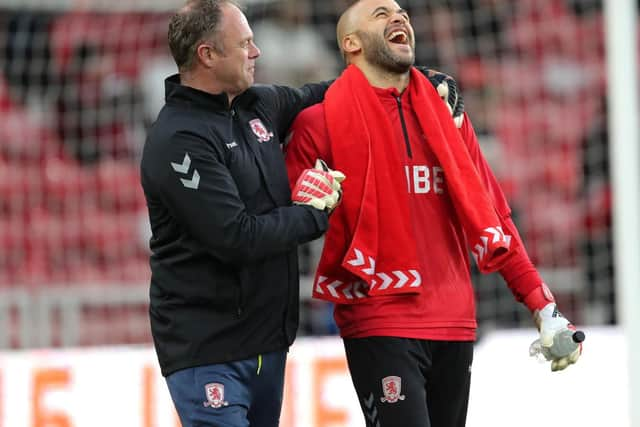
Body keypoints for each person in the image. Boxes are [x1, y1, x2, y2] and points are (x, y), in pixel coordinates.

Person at [284, 1, 583, 427]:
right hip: (379, 318)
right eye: (381, 13)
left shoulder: (449, 117)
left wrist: (542, 305)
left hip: (455, 322)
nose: (399, 17)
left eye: (402, 12)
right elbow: (291, 219)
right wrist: (305, 200)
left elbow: (492, 214)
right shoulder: (319, 124)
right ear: (350, 43)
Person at [139, 1, 344, 426]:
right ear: (208, 55)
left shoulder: (258, 106)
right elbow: (236, 237)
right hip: (209, 350)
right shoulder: (177, 139)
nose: (257, 53)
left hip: (268, 343)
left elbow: (324, 95)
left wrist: (413, 81)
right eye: (245, 43)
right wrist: (313, 212)